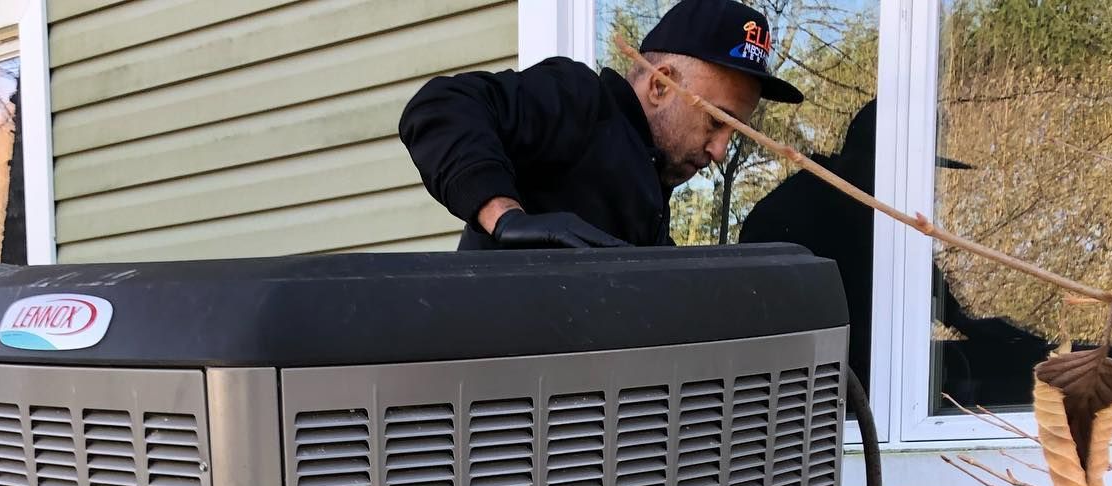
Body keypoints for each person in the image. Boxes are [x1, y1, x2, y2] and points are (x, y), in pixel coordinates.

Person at [399, 0, 803, 250]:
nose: (718, 152)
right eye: (716, 121)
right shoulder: (579, 101)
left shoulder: (652, 196)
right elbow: (441, 107)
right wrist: (506, 218)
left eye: (734, 135)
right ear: (660, 85)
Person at [741, 99, 1048, 400]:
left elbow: (915, 267)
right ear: (869, 162)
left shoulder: (868, 212)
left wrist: (961, 320)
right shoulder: (789, 216)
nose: (919, 189)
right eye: (904, 172)